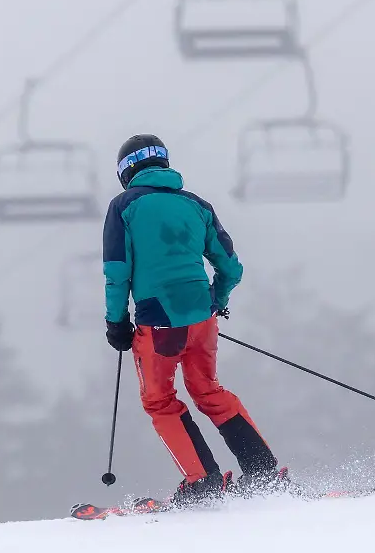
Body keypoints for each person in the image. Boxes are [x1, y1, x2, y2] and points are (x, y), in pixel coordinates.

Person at [102, 134, 288, 507]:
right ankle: (263, 471)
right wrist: (215, 301)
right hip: (203, 321)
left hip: (158, 326)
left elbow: (117, 272)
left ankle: (202, 480)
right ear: (164, 163)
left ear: (125, 172)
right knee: (208, 391)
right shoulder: (197, 206)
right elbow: (231, 267)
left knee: (159, 402)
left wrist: (117, 323)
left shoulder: (123, 207)